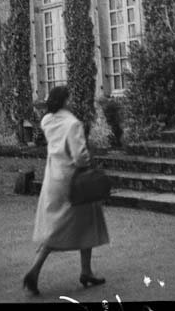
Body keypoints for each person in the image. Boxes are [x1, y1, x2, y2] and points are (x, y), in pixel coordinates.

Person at [23, 86, 109, 296]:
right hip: (74, 181)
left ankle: (86, 271)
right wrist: (90, 160)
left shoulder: (47, 121)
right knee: (68, 226)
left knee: (71, 223)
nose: (71, 101)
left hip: (54, 178)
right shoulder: (73, 124)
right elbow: (79, 156)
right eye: (69, 98)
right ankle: (34, 270)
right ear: (64, 100)